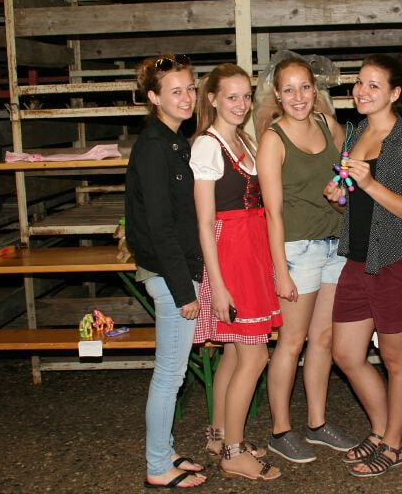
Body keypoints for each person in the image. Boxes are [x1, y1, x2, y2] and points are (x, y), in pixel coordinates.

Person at [325, 53, 402, 477]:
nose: (362, 91)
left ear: (395, 93)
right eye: (359, 82)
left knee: (396, 359)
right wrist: (341, 196)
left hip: (399, 261)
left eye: (373, 85)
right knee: (345, 353)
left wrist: (369, 183)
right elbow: (356, 201)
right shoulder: (355, 135)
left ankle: (393, 443)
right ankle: (381, 429)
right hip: (358, 258)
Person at [256, 57, 357, 463]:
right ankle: (280, 431)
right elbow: (272, 213)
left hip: (335, 245)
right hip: (297, 251)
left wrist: (343, 192)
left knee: (324, 339)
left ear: (315, 90)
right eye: (289, 89)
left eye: (304, 87)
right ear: (278, 95)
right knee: (292, 341)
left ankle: (317, 423)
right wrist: (281, 272)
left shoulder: (327, 125)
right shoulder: (273, 139)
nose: (298, 96)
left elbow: (347, 175)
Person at [190, 63, 283, 482]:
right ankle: (233, 452)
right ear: (212, 99)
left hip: (251, 249)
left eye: (246, 96)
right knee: (255, 354)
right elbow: (205, 222)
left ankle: (219, 436)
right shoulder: (207, 146)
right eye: (232, 97)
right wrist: (219, 286)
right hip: (232, 254)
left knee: (232, 351)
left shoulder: (243, 138)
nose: (241, 104)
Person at [125, 54, 206, 490]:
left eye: (190, 88)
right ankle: (157, 465)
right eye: (176, 91)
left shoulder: (175, 140)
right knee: (170, 374)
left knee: (172, 372)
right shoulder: (154, 147)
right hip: (170, 275)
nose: (187, 97)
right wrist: (184, 290)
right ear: (154, 98)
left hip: (175, 270)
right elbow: (160, 226)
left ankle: (167, 448)